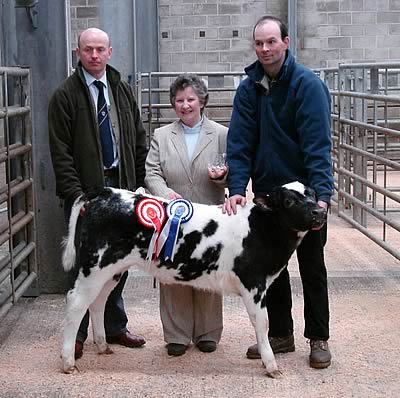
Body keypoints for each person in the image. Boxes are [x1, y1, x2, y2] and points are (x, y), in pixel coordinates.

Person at [223, 16, 333, 369]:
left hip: (304, 195)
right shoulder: (248, 88)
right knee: (273, 266)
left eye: (271, 42)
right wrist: (237, 188)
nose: (265, 49)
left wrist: (322, 197)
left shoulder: (307, 86)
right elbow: (239, 142)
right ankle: (281, 334)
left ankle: (318, 337)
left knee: (312, 264)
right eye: (259, 43)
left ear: (286, 42)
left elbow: (318, 145)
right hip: (270, 196)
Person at [48, 28, 148, 360]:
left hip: (121, 187)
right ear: (78, 53)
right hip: (87, 193)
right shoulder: (64, 96)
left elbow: (137, 138)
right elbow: (60, 152)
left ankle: (114, 326)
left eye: (100, 49)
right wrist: (77, 197)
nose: (94, 55)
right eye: (88, 49)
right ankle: (76, 334)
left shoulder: (121, 90)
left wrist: (138, 184)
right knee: (85, 263)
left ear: (109, 52)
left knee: (119, 259)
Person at [145, 74, 228, 357]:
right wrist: (166, 195)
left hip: (209, 216)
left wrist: (222, 177)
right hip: (172, 217)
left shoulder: (220, 133)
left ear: (202, 101)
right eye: (179, 100)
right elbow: (152, 172)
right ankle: (177, 334)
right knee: (172, 270)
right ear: (173, 103)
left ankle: (207, 331)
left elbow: (233, 173)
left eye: (191, 99)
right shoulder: (161, 135)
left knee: (208, 270)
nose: (185, 105)